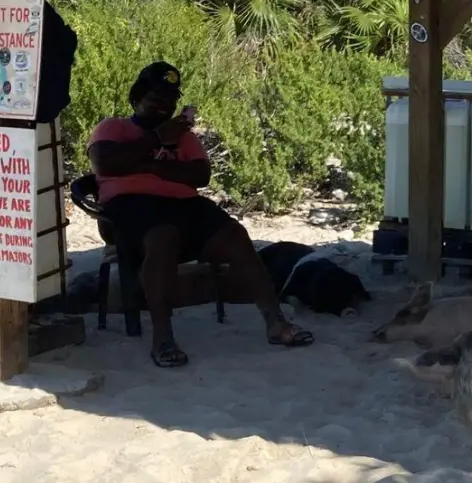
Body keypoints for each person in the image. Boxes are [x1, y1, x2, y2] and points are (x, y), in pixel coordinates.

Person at [87, 61, 313, 367]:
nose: (163, 106)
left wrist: (148, 165)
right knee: (162, 237)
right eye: (156, 98)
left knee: (235, 236)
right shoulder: (114, 127)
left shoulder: (183, 137)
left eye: (169, 100)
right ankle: (163, 337)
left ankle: (275, 321)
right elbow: (105, 164)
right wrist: (155, 140)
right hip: (130, 206)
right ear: (138, 98)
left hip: (186, 206)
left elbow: (200, 175)